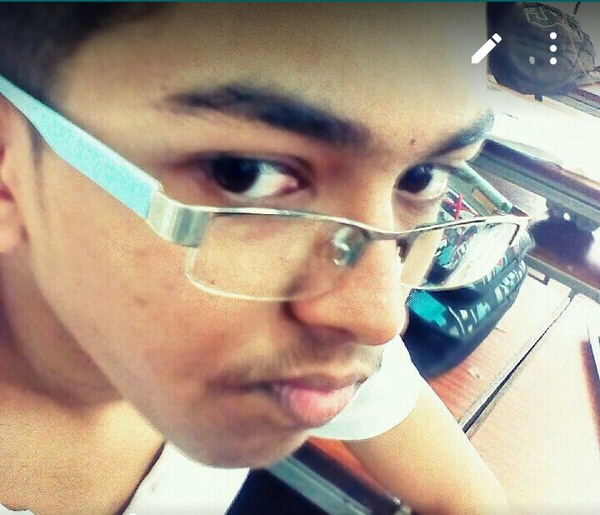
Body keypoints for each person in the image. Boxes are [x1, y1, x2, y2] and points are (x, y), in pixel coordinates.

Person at [0, 3, 514, 514]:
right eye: (243, 172)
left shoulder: (309, 341)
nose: (381, 318)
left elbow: (466, 499)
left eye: (422, 177)